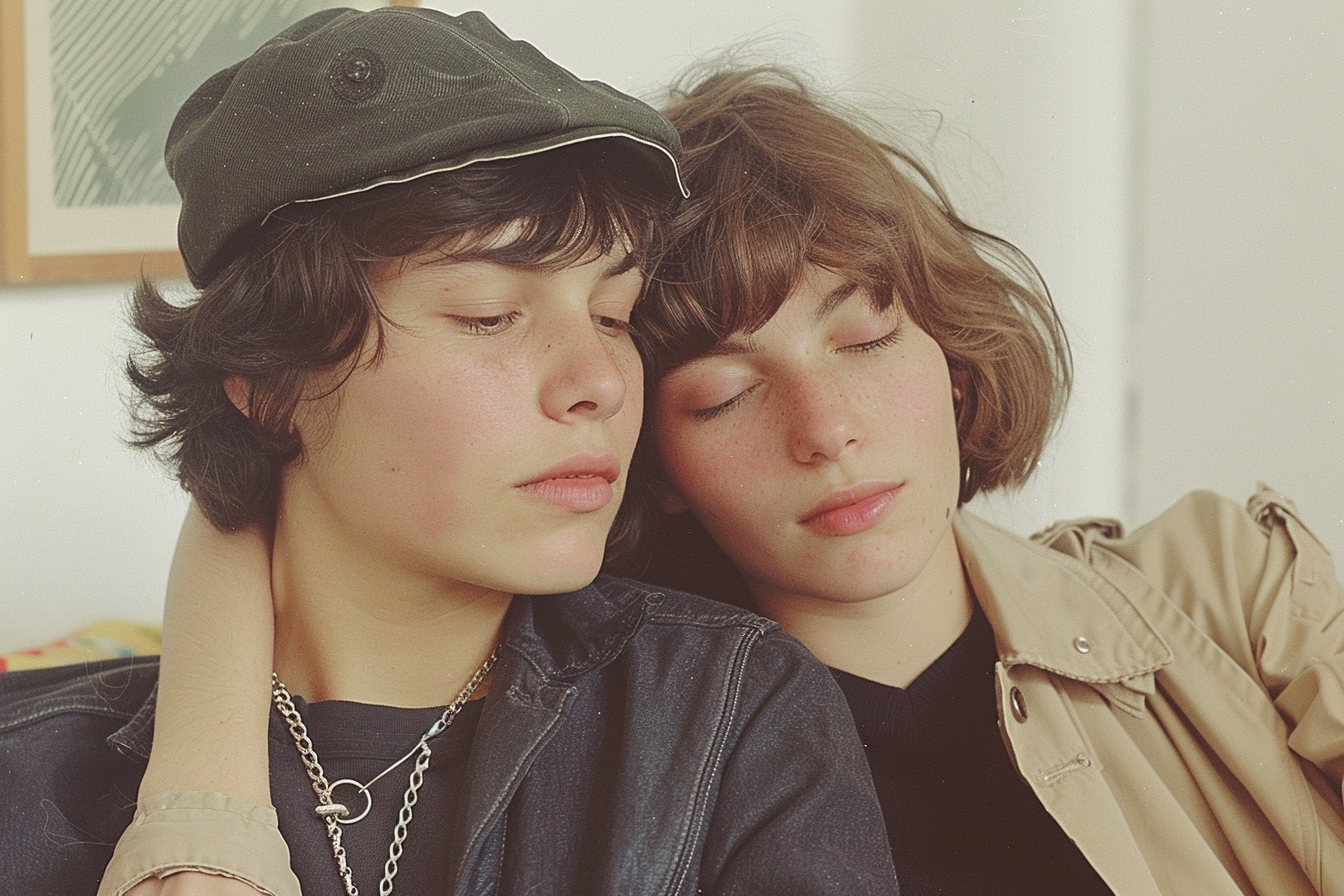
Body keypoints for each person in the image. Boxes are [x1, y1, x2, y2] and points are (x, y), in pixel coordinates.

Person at [0, 13, 897, 896]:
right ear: (268, 380)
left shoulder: (731, 718)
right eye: (488, 316)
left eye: (613, 316)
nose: (602, 382)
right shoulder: (32, 780)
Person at [627, 67, 1344, 895]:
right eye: (728, 395)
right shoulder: (626, 779)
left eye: (865, 341)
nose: (826, 430)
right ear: (656, 462)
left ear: (955, 365)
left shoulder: (1233, 592)